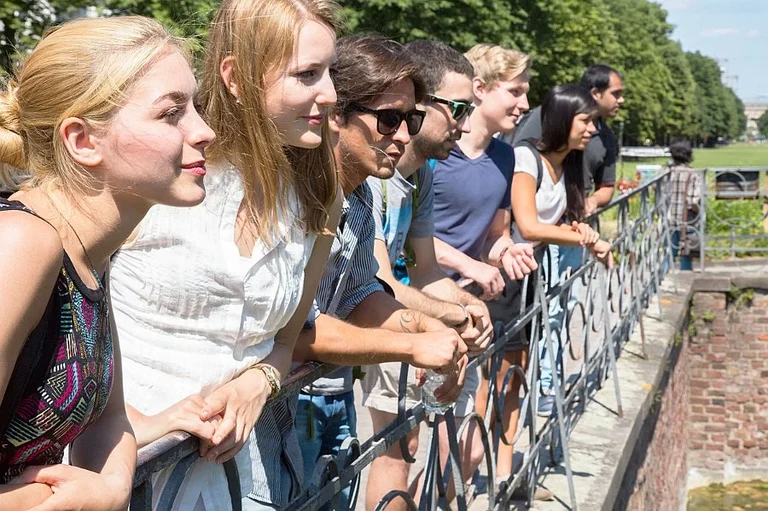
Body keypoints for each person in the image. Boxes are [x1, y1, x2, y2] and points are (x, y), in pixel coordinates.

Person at [110, 1, 342, 509]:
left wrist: (258, 382)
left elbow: (286, 341)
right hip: (121, 461)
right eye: (307, 75)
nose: (329, 94)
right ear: (236, 77)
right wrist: (131, 424)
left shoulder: (320, 193)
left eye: (330, 73)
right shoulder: (155, 172)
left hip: (235, 472)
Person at [0, 16, 215, 510]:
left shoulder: (91, 253)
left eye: (196, 107)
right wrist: (75, 497)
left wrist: (113, 488)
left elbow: (110, 419)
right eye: (171, 113)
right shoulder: (22, 244)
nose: (204, 131)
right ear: (82, 140)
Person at [291, 35, 468, 511]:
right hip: (265, 419)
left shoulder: (363, 192)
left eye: (411, 119)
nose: (405, 135)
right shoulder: (298, 194)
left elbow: (358, 294)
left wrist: (435, 330)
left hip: (327, 397)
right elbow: (294, 327)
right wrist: (413, 344)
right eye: (389, 119)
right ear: (335, 113)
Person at [362, 39, 494, 509]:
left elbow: (426, 269)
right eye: (458, 108)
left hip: (400, 315)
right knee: (395, 452)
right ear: (420, 104)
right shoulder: (376, 176)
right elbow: (381, 282)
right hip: (375, 319)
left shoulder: (422, 174)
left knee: (406, 447)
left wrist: (469, 306)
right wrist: (449, 318)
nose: (465, 123)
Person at [428, 43, 540, 495]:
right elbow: (406, 239)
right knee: (422, 445)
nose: (525, 104)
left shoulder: (506, 157)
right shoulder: (435, 148)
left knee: (466, 450)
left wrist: (506, 251)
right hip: (421, 306)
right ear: (481, 89)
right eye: (515, 91)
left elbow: (497, 233)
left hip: (470, 314)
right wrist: (467, 263)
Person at [511, 65, 624, 415]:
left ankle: (545, 389)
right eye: (585, 123)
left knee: (551, 319)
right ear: (563, 120)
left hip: (536, 265)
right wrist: (584, 240)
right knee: (508, 358)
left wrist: (578, 228)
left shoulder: (569, 162)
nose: (593, 131)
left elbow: (564, 212)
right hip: (514, 272)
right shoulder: (527, 155)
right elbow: (529, 227)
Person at [667, 140, 700, 271]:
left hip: (669, 218)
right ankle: (684, 275)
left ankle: (663, 278)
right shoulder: (693, 174)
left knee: (669, 252)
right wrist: (698, 212)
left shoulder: (666, 172)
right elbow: (693, 201)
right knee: (686, 253)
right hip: (687, 220)